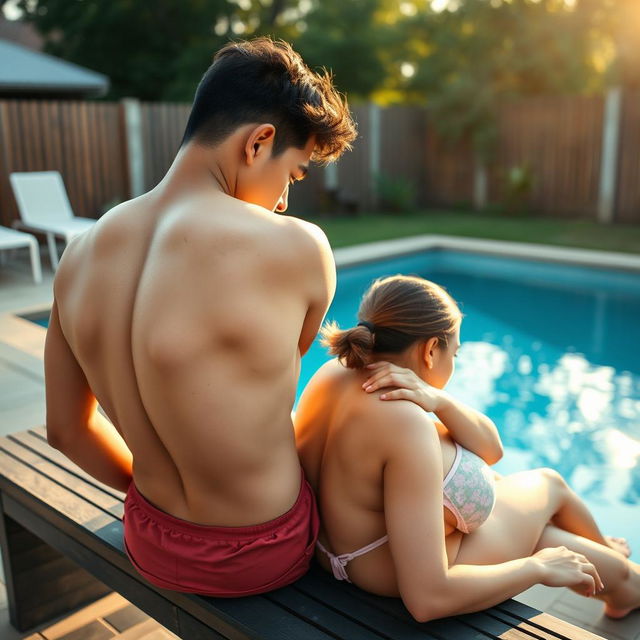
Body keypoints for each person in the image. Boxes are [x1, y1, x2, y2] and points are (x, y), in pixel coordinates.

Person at [44, 37, 356, 597]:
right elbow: (272, 394)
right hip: (262, 548)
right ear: (259, 142)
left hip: (150, 534)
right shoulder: (299, 248)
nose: (285, 199)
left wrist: (165, 511)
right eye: (295, 173)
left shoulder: (80, 253)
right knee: (361, 399)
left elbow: (66, 431)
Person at [294, 274, 640, 622]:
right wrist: (536, 568)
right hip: (387, 574)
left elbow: (491, 450)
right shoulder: (404, 423)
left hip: (337, 555)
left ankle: (621, 578)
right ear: (431, 350)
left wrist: (438, 400)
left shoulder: (332, 373)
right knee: (550, 486)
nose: (454, 363)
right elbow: (428, 599)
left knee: (551, 534)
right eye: (454, 352)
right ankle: (623, 575)